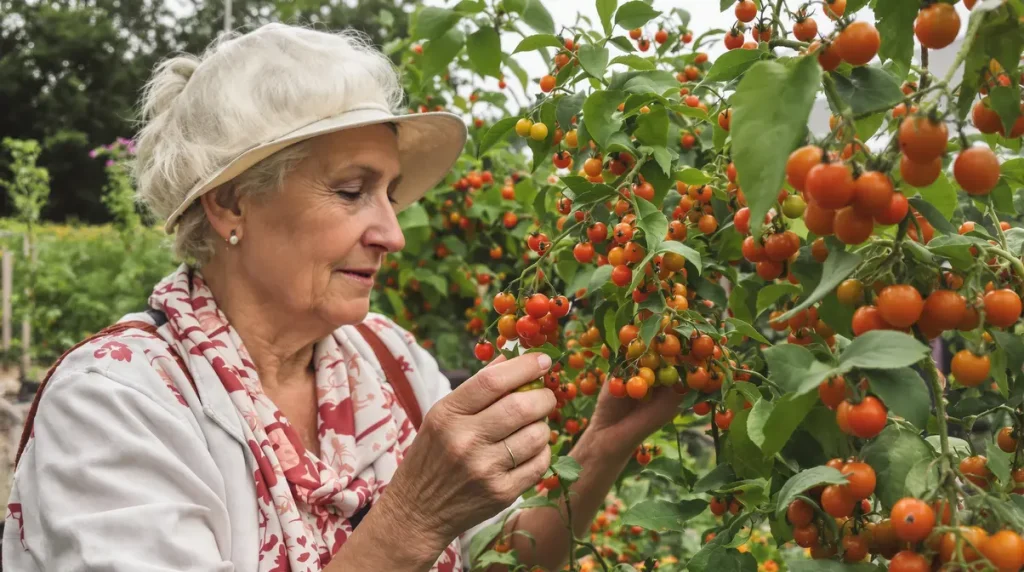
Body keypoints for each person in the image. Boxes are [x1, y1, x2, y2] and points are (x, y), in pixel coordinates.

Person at [3, 23, 683, 572]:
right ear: (231, 203)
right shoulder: (117, 404)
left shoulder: (386, 360)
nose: (393, 233)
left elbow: (503, 558)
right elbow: (422, 527)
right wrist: (412, 516)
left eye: (390, 193)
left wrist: (602, 445)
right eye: (352, 191)